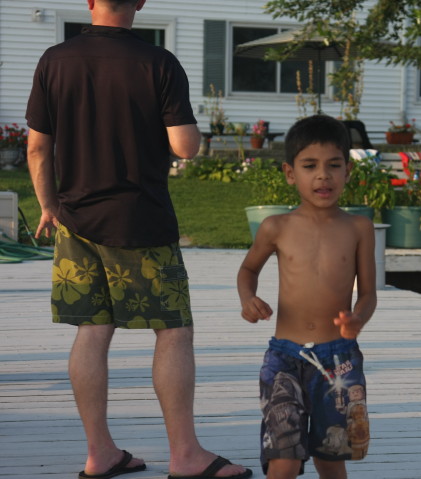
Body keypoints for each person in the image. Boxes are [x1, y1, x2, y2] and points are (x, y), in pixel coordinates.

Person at [24, 1, 251, 478]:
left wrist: (48, 205)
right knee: (172, 330)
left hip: (74, 219)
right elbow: (184, 146)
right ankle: (186, 456)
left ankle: (99, 452)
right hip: (140, 220)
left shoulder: (54, 60)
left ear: (89, 1)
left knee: (92, 330)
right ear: (141, 2)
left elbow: (38, 146)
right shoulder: (158, 62)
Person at [237, 115, 377, 479]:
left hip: (339, 362)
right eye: (310, 166)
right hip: (285, 355)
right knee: (283, 460)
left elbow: (368, 294)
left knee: (331, 457)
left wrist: (358, 319)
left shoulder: (359, 228)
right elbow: (247, 270)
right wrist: (248, 298)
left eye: (334, 166)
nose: (323, 176)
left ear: (348, 170)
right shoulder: (276, 227)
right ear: (289, 173)